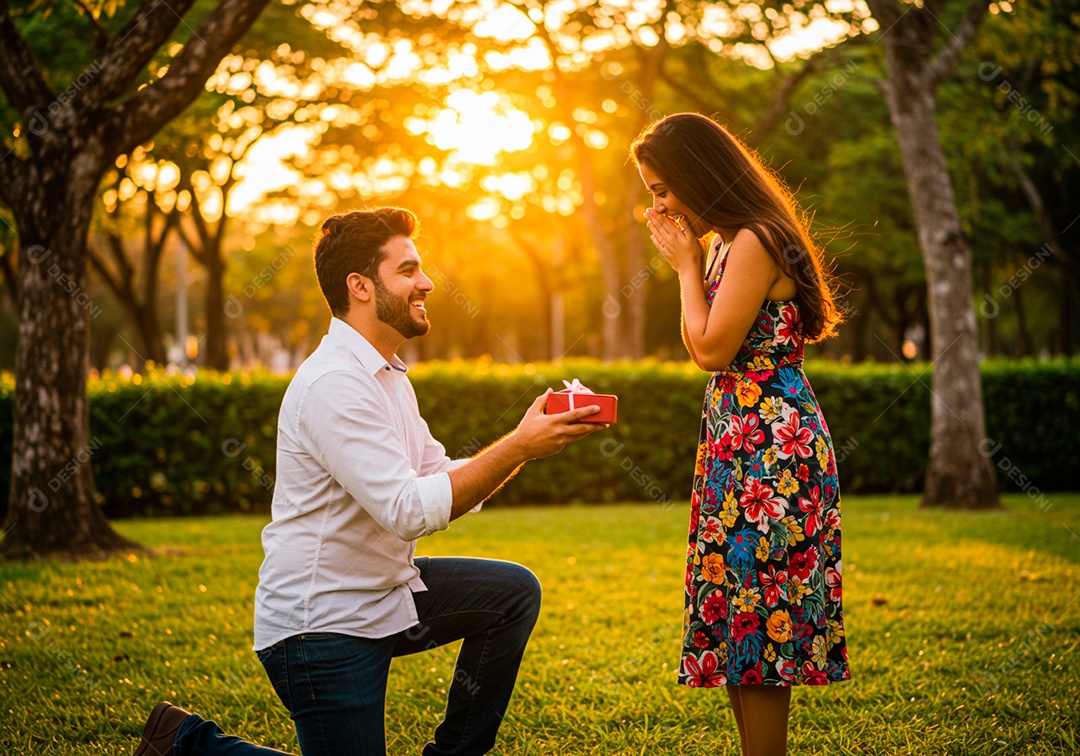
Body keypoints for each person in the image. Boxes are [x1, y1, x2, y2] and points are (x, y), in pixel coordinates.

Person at [134, 207, 607, 756]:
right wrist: (518, 447)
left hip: (383, 595)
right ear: (359, 286)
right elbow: (409, 511)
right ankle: (187, 745)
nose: (426, 282)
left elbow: (435, 475)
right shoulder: (335, 382)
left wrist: (523, 443)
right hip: (321, 625)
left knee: (512, 593)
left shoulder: (385, 374)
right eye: (408, 270)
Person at [631, 113, 850, 756]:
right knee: (738, 616)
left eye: (663, 189)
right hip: (738, 440)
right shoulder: (729, 241)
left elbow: (709, 347)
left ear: (702, 177)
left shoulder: (752, 240)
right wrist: (696, 259)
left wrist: (682, 266)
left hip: (770, 450)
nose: (658, 205)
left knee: (759, 617)